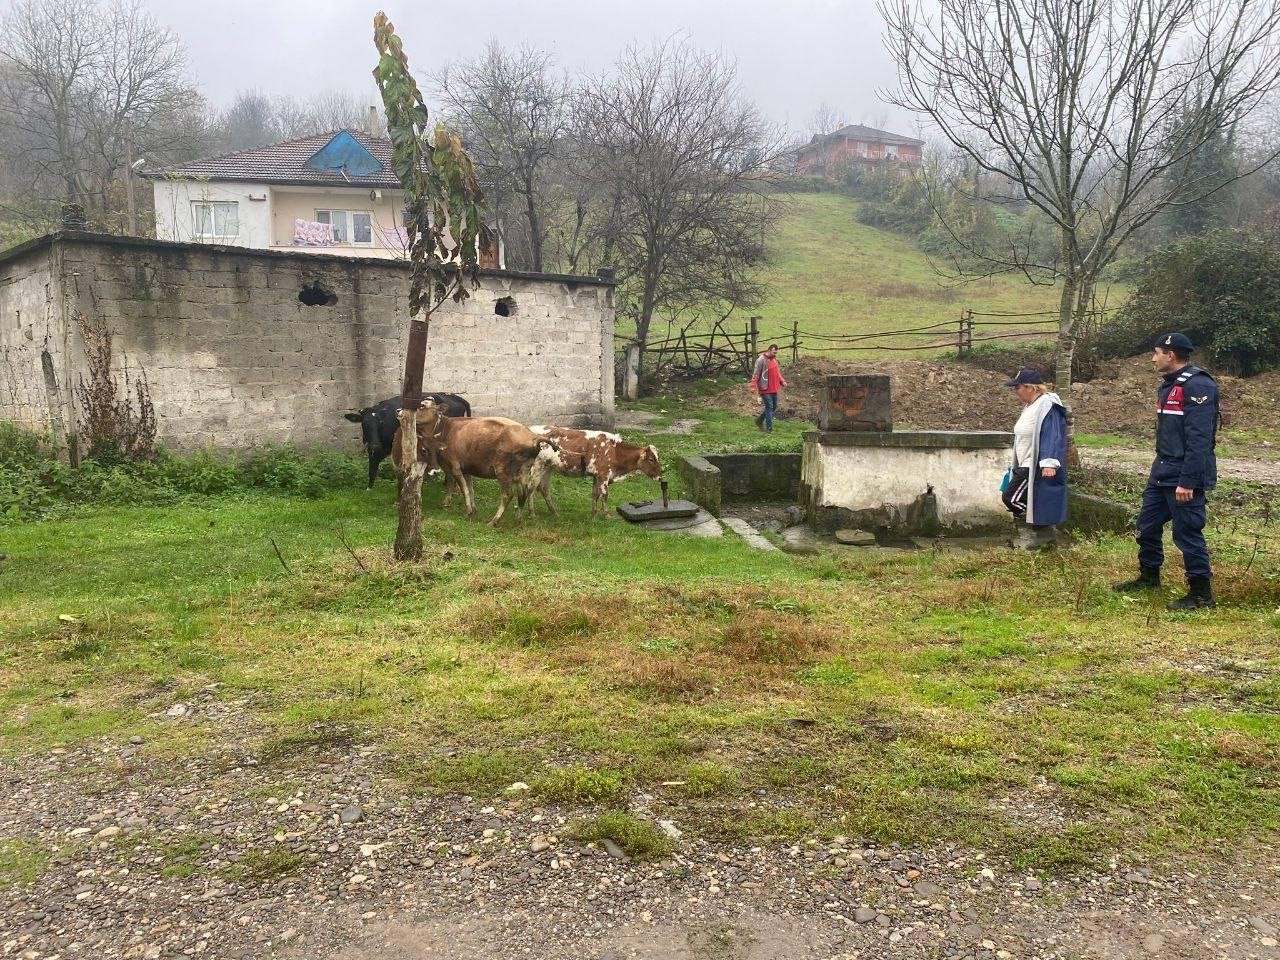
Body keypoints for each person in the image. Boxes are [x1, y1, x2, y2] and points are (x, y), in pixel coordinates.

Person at [1113, 333, 1219, 610]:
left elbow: (1200, 440)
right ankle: (1149, 577)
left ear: (1170, 355)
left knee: (1187, 533)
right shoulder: (1169, 385)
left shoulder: (1198, 385)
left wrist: (1189, 481)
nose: (1152, 358)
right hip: (1162, 470)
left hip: (1184, 475)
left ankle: (1201, 595)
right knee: (1146, 527)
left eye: (1156, 353)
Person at [1001, 367, 1068, 549]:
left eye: (1017, 387)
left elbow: (1052, 434)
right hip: (1024, 463)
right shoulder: (1030, 406)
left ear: (1030, 387)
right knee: (1022, 498)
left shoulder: (1047, 405)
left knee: (1011, 498)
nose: (1015, 391)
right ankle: (1040, 536)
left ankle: (1039, 531)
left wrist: (1049, 462)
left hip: (1035, 464)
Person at [749, 343, 787, 432]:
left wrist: (782, 381)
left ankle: (759, 420)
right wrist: (753, 386)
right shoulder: (761, 360)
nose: (775, 355)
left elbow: (777, 373)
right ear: (769, 350)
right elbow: (756, 374)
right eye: (774, 352)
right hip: (765, 388)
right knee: (769, 407)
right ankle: (769, 429)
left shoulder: (774, 360)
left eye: (776, 353)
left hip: (774, 388)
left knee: (773, 407)